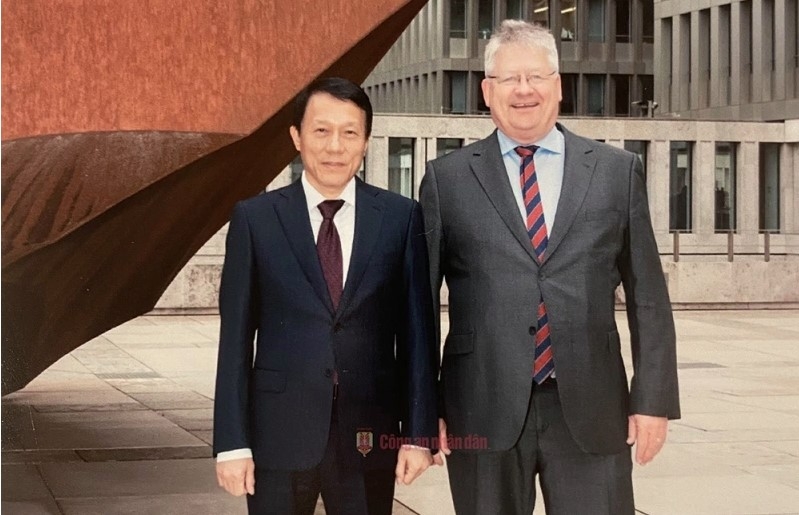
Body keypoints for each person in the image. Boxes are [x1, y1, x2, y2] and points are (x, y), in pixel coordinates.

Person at [420, 20, 680, 515]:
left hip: (593, 406)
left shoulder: (616, 172)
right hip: (480, 404)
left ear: (558, 86)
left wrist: (653, 400)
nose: (524, 90)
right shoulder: (446, 180)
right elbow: (421, 306)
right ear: (487, 91)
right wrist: (423, 410)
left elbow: (648, 295)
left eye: (536, 76)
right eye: (509, 78)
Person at [213, 77, 438, 515]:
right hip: (278, 434)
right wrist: (231, 443)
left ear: (366, 142)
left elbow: (417, 337)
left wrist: (418, 435)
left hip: (368, 435)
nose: (335, 146)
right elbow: (235, 341)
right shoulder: (256, 219)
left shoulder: (400, 218)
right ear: (297, 137)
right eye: (321, 130)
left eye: (349, 132)